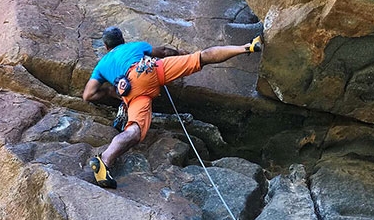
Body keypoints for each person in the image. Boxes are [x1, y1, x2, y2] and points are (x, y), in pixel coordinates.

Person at [82, 26, 262, 188]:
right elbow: (164, 51)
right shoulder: (135, 46)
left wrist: (111, 92)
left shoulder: (101, 65)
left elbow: (87, 95)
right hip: (147, 69)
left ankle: (105, 160)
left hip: (131, 90)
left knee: (134, 131)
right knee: (200, 58)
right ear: (122, 40)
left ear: (106, 47)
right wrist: (180, 54)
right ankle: (247, 47)